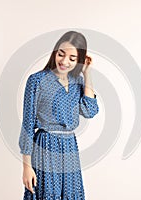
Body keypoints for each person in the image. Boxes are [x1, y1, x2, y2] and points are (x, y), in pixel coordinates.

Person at [19, 31, 99, 200]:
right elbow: (27, 125)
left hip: (70, 148)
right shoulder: (37, 81)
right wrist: (26, 166)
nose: (64, 61)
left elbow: (89, 111)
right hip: (45, 146)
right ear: (55, 52)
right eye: (61, 54)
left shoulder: (77, 81)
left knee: (71, 195)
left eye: (72, 58)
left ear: (79, 59)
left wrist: (87, 74)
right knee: (48, 194)